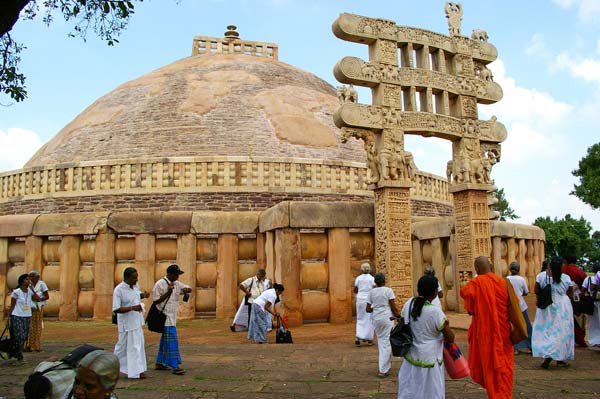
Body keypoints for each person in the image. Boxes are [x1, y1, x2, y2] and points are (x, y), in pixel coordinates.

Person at [460, 256, 513, 399]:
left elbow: (468, 304)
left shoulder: (475, 284)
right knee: (504, 364)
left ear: (477, 269)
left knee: (488, 365)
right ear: (491, 266)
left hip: (485, 332)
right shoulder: (502, 282)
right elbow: (512, 305)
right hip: (503, 330)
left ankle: (494, 394)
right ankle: (504, 394)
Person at [397, 275, 455, 399]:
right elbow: (450, 338)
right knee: (431, 390)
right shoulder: (435, 311)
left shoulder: (409, 304)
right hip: (431, 357)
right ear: (435, 292)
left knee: (411, 388)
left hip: (411, 355)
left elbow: (401, 323)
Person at [532, 256, 575, 369]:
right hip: (562, 307)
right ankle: (559, 358)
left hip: (546, 306)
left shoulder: (541, 276)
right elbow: (570, 293)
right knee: (562, 332)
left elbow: (536, 290)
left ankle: (548, 355)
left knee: (547, 331)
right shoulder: (566, 278)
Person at [152, 264, 192, 375]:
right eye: (176, 275)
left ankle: (160, 363)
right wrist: (168, 292)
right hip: (164, 317)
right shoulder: (159, 284)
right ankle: (174, 365)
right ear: (169, 274)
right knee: (172, 342)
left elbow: (187, 287)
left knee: (165, 341)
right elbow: (155, 301)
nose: (177, 277)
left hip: (172, 317)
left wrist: (186, 289)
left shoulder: (177, 284)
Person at [113, 267, 149, 379]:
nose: (136, 279)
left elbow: (136, 295)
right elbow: (116, 309)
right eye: (134, 278)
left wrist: (143, 295)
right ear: (127, 278)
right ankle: (111, 367)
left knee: (138, 346)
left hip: (136, 322)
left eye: (137, 277)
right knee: (122, 348)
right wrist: (133, 308)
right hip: (126, 324)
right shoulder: (118, 290)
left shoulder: (135, 286)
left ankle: (138, 371)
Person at [366, 272, 400, 378]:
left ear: (375, 282)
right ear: (384, 281)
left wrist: (376, 307)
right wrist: (399, 317)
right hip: (387, 317)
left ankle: (386, 366)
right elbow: (393, 307)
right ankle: (383, 369)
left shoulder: (371, 293)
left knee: (382, 341)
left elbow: (367, 309)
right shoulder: (388, 291)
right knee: (386, 342)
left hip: (376, 318)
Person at [7, 273, 42, 361]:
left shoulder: (29, 291)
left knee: (25, 335)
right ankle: (18, 352)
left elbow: (38, 299)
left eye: (28, 279)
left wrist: (32, 289)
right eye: (26, 279)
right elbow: (12, 306)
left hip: (27, 315)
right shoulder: (16, 292)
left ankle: (16, 352)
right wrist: (8, 318)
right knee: (20, 335)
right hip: (17, 315)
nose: (28, 281)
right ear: (22, 282)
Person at [562, 254, 588, 347]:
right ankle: (580, 338)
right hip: (576, 299)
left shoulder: (562, 270)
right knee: (578, 319)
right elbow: (586, 283)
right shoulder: (579, 272)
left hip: (563, 298)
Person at [506, 261, 532, 354]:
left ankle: (514, 348)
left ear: (510, 269)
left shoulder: (506, 279)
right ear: (518, 270)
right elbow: (526, 292)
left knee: (512, 327)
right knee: (526, 326)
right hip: (521, 306)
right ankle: (530, 346)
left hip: (510, 307)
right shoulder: (521, 279)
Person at [25, 270, 49, 352]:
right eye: (30, 276)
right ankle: (28, 345)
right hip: (29, 307)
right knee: (29, 326)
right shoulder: (28, 284)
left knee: (36, 326)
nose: (31, 278)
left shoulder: (41, 284)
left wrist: (38, 299)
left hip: (38, 307)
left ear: (37, 277)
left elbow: (47, 296)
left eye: (32, 276)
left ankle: (35, 346)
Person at [353, 262, 375, 346]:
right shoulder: (372, 278)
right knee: (369, 318)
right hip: (369, 300)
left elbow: (355, 290)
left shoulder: (358, 278)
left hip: (360, 300)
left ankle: (357, 338)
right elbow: (374, 288)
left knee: (360, 318)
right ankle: (369, 339)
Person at [582, 262, 600, 347]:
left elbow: (583, 290)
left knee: (593, 322)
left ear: (593, 270)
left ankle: (595, 340)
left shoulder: (588, 279)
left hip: (592, 303)